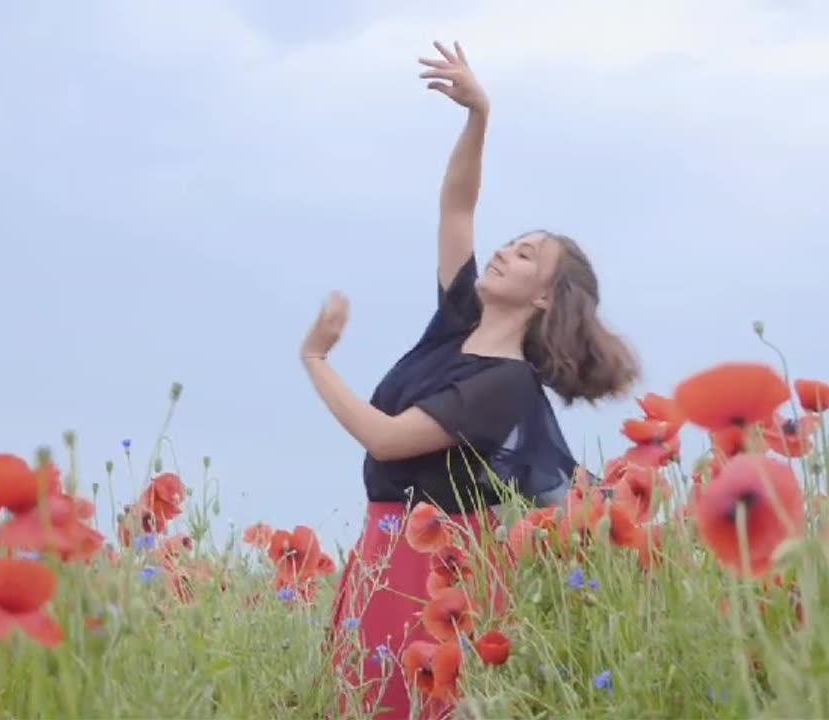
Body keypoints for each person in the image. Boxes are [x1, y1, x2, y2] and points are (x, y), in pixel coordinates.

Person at [301, 41, 640, 720]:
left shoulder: (505, 386)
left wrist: (316, 359)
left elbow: (388, 440)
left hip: (428, 568)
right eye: (514, 243)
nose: (508, 251)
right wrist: (478, 115)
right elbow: (458, 208)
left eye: (528, 256)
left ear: (546, 298)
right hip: (382, 546)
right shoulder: (460, 320)